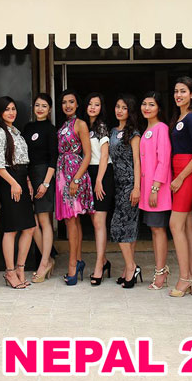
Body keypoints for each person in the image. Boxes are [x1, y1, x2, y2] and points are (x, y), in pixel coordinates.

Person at [168, 77, 192, 298]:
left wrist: (181, 177)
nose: (178, 95)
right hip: (179, 171)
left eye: (183, 91)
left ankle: (184, 278)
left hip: (187, 173)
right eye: (176, 91)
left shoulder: (191, 117)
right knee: (187, 225)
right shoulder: (179, 117)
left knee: (175, 224)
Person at [0, 96, 36, 289]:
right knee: (11, 229)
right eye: (7, 109)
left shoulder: (16, 131)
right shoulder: (0, 132)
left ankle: (20, 268)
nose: (11, 112)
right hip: (9, 181)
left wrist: (26, 181)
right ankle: (10, 271)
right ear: (0, 113)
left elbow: (22, 160)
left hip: (21, 179)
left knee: (29, 228)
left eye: (13, 108)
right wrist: (14, 183)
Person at [55, 89, 94, 285]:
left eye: (71, 102)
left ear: (77, 104)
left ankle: (72, 265)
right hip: (62, 174)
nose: (67, 105)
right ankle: (78, 260)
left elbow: (87, 155)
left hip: (74, 174)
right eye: (64, 102)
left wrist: (76, 180)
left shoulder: (80, 124)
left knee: (72, 221)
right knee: (73, 221)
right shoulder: (63, 125)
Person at [23, 93, 58, 283]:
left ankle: (44, 263)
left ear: (49, 109)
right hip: (29, 176)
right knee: (32, 222)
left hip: (45, 175)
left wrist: (45, 183)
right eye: (37, 105)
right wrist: (28, 179)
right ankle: (49, 258)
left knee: (44, 220)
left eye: (44, 106)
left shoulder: (51, 130)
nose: (40, 109)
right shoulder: (28, 128)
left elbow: (53, 158)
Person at [139, 92, 172, 290]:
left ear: (159, 108)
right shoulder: (147, 129)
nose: (147, 108)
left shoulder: (161, 128)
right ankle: (160, 269)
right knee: (154, 229)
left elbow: (164, 160)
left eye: (151, 104)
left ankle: (161, 271)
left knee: (159, 230)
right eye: (144, 104)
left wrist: (155, 188)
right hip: (148, 189)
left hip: (157, 189)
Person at [109, 94, 142, 289]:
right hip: (117, 184)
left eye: (124, 108)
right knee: (127, 228)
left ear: (130, 111)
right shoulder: (113, 132)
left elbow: (137, 161)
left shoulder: (134, 133)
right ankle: (128, 269)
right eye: (117, 106)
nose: (119, 110)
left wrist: (137, 187)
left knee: (118, 227)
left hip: (130, 184)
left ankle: (131, 267)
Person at [83, 93, 114, 285]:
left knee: (99, 221)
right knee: (94, 220)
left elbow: (104, 155)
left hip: (102, 173)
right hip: (88, 173)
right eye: (90, 104)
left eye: (97, 104)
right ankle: (103, 260)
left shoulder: (101, 126)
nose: (93, 107)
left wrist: (99, 180)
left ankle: (98, 266)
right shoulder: (84, 126)